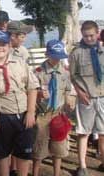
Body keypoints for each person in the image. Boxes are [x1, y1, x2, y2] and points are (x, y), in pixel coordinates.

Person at [0, 30, 39, 176]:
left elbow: (32, 87)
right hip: (1, 115)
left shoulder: (20, 63)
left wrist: (30, 112)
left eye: (3, 44)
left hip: (23, 115)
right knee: (2, 154)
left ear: (9, 45)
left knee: (24, 153)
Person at [32, 40, 73, 176]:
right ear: (47, 54)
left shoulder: (65, 72)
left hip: (58, 114)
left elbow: (67, 89)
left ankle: (57, 173)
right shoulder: (38, 72)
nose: (56, 59)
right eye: (54, 56)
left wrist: (68, 100)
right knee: (39, 148)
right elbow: (31, 92)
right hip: (42, 115)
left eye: (59, 56)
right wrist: (38, 94)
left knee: (58, 148)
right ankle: (35, 172)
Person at [69, 20, 104, 176]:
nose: (89, 39)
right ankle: (82, 167)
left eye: (91, 35)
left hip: (103, 97)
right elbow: (73, 75)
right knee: (84, 132)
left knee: (103, 133)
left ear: (97, 33)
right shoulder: (76, 53)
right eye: (85, 36)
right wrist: (79, 92)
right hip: (86, 98)